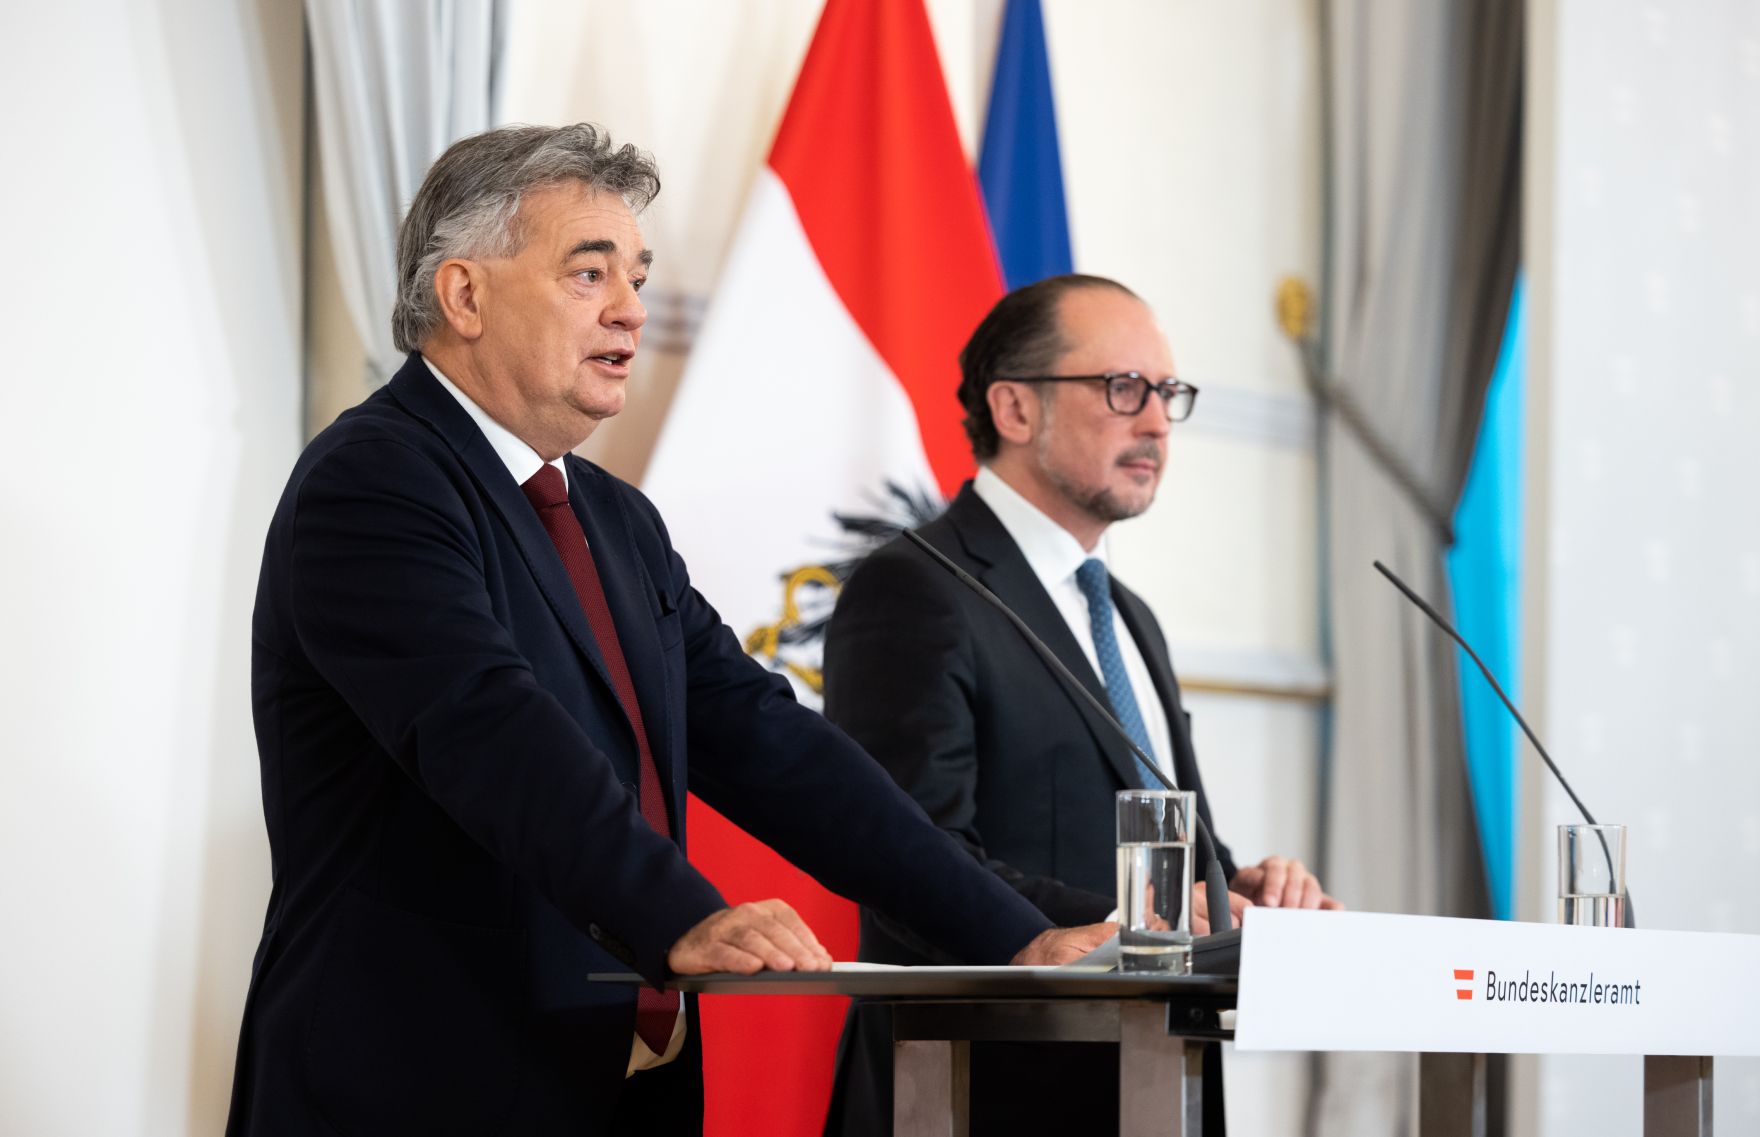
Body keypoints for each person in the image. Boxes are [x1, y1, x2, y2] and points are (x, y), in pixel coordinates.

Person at [223, 124, 1110, 1137]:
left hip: (619, 1082)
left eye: (636, 278)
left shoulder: (614, 519)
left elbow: (770, 743)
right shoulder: (375, 481)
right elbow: (489, 732)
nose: (631, 310)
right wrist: (681, 913)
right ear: (464, 296)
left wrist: (1012, 935)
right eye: (587, 273)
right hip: (417, 1081)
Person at [821, 274, 1341, 1136]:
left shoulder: (1130, 616)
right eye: (1123, 387)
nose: (1157, 422)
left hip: (1156, 1080)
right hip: (982, 1089)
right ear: (1015, 408)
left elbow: (1165, 837)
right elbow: (911, 857)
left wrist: (1240, 889)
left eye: (1168, 392)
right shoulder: (914, 588)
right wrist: (1144, 918)